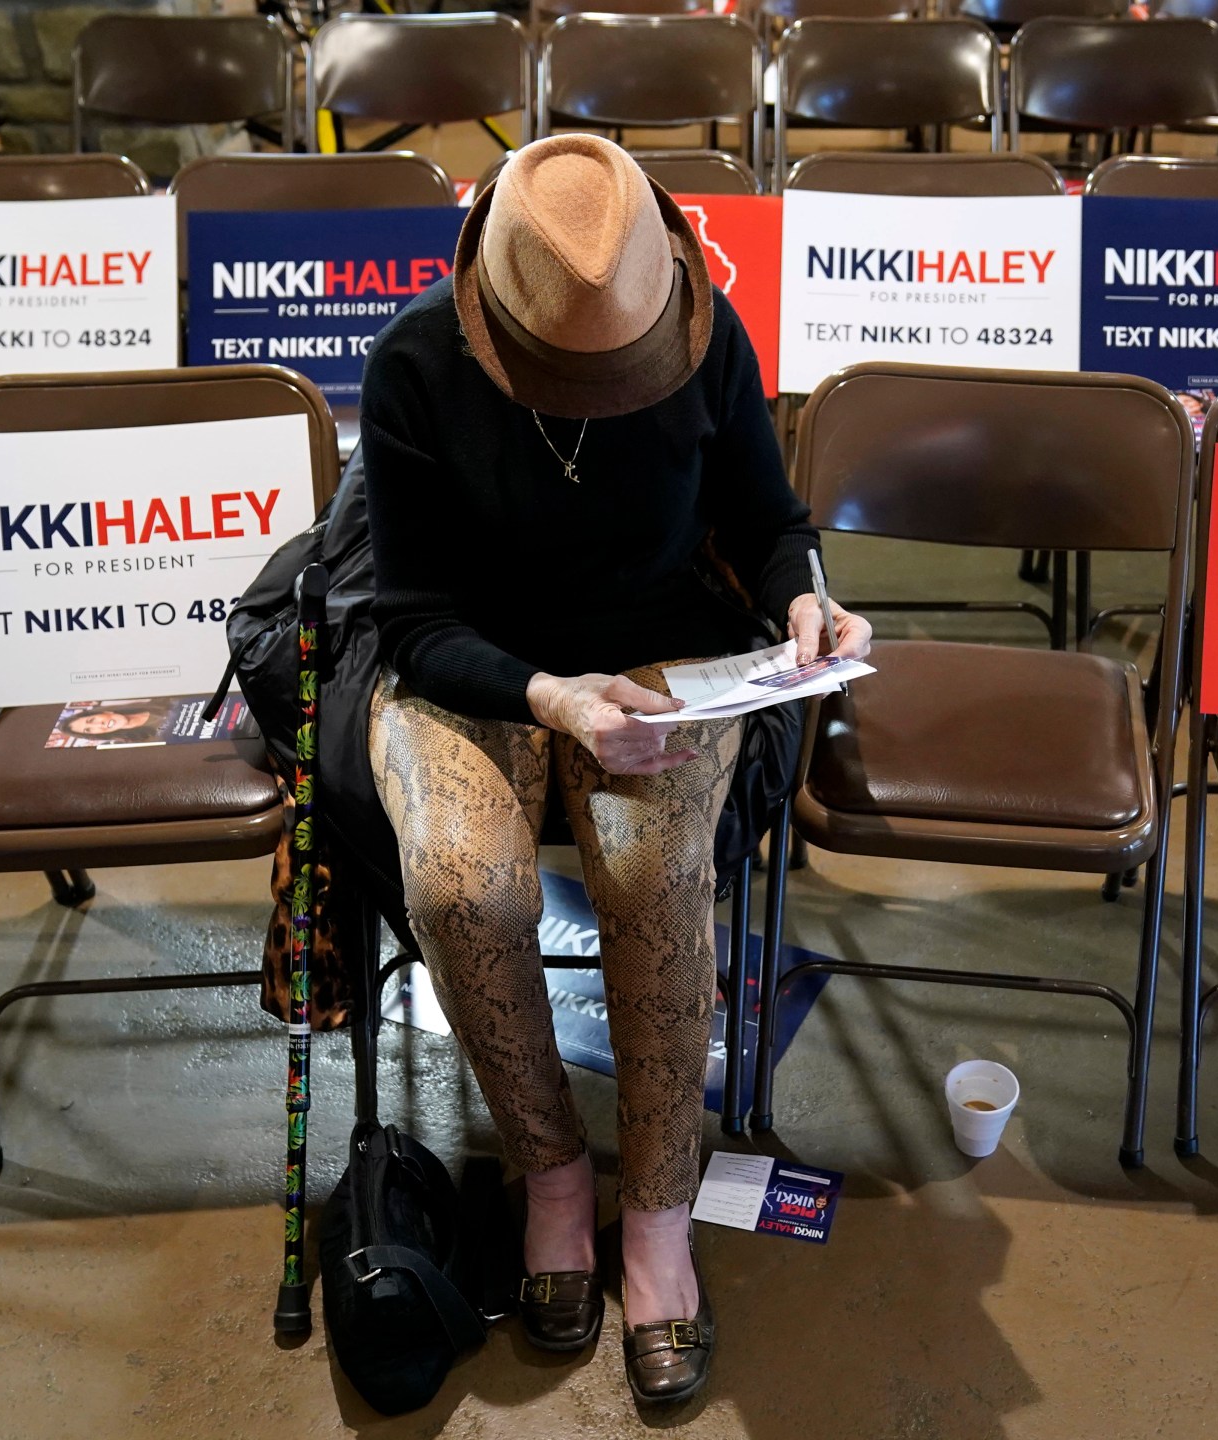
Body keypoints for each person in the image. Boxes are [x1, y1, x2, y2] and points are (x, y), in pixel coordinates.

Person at [358, 135, 869, 1404]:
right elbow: (412, 617)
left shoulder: (704, 329)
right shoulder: (419, 362)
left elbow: (766, 519)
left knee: (649, 876)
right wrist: (546, 699)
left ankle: (654, 1213)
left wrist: (804, 599)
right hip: (478, 669)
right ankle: (550, 1176)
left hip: (664, 653)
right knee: (466, 890)